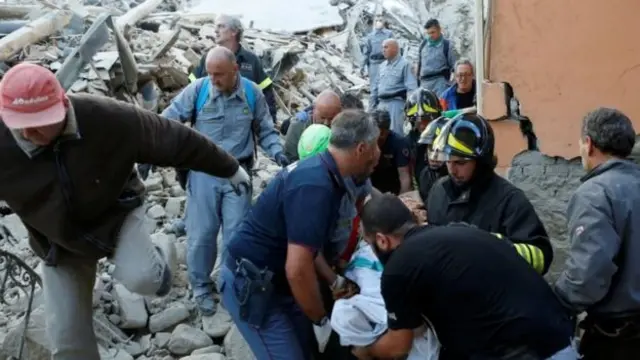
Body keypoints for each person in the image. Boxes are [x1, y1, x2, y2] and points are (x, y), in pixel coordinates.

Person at [0, 63, 251, 360]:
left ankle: (160, 250)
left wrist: (230, 168)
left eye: (41, 121)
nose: (29, 132)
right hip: (58, 242)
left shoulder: (105, 118)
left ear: (63, 104)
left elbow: (174, 138)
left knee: (145, 280)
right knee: (67, 342)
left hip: (115, 215)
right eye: (19, 123)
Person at [220, 110, 380, 359]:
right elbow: (297, 268)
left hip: (279, 281)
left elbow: (306, 245)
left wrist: (333, 281)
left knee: (310, 350)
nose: (377, 156)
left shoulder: (326, 173)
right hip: (254, 284)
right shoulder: (316, 186)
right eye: (375, 148)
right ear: (361, 148)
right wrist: (320, 321)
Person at [352, 194, 578, 360]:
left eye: (371, 244)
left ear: (382, 240)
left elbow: (398, 347)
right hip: (560, 338)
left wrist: (366, 350)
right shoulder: (459, 232)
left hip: (525, 352)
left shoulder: (398, 267)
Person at [161, 46, 288, 316]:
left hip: (238, 175)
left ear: (234, 71)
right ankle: (201, 288)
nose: (213, 80)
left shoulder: (252, 93)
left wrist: (278, 153)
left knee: (237, 235)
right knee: (201, 234)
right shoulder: (199, 90)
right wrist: (149, 147)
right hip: (204, 173)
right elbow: (168, 120)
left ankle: (233, 284)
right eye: (209, 73)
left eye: (219, 74)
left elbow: (265, 130)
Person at [554, 107, 640, 359]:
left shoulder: (594, 194)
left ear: (589, 144)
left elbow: (588, 274)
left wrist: (559, 300)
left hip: (618, 338)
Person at [427, 113, 553, 275]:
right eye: (448, 161)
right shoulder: (439, 191)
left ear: (481, 161)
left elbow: (542, 257)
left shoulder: (509, 200)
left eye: (460, 162)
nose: (452, 170)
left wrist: (490, 245)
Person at [189, 14, 278, 122]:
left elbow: (267, 93)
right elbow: (191, 90)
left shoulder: (251, 60)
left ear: (234, 32)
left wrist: (271, 122)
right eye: (215, 27)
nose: (216, 31)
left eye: (221, 26)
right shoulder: (207, 58)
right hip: (210, 122)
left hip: (242, 124)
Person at [370, 38, 417, 134]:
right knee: (378, 134)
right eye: (382, 47)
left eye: (386, 47)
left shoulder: (405, 65)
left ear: (395, 49)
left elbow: (411, 89)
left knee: (395, 133)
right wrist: (371, 108)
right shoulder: (382, 66)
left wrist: (409, 111)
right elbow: (375, 88)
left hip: (396, 105)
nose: (383, 50)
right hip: (381, 105)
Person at [283, 89, 342, 162]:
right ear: (314, 110)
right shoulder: (299, 126)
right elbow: (289, 158)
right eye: (322, 117)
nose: (326, 123)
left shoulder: (343, 129)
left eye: (331, 118)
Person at [404, 88, 443, 186]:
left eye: (426, 121)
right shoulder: (408, 143)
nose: (422, 126)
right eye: (418, 122)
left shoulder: (445, 139)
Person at [369, 109, 412, 194]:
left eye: (380, 133)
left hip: (392, 188)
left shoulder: (399, 143)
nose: (376, 137)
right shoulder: (364, 140)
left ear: (387, 131)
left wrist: (403, 199)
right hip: (370, 187)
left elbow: (404, 176)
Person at [416, 19, 458, 96]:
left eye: (433, 32)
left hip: (440, 83)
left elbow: (455, 66)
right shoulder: (423, 45)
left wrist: (452, 84)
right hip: (424, 84)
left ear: (439, 30)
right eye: (428, 33)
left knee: (440, 107)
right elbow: (419, 64)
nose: (430, 35)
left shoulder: (447, 45)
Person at [416, 116, 450, 202]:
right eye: (431, 149)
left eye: (440, 150)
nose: (434, 157)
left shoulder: (459, 178)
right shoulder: (425, 175)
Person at [361, 16, 393, 96]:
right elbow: (366, 52)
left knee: (386, 86)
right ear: (374, 22)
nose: (378, 22)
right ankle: (373, 107)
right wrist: (362, 66)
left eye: (380, 20)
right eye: (377, 20)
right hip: (374, 64)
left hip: (385, 62)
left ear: (384, 22)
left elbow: (394, 49)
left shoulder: (389, 34)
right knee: (374, 88)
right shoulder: (370, 36)